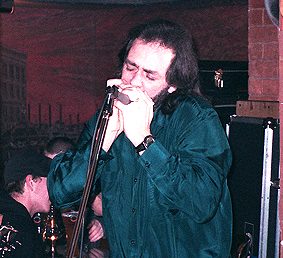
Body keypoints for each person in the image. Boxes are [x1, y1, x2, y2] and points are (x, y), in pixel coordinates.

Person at [47, 19, 233, 257]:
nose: (133, 82)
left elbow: (202, 202)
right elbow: (61, 193)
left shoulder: (196, 117)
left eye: (149, 75)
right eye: (130, 67)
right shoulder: (108, 114)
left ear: (173, 84)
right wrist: (103, 141)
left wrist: (144, 141)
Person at [0, 151, 52, 258]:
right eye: (50, 181)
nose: (54, 189)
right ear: (31, 182)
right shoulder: (22, 231)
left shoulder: (9, 215)